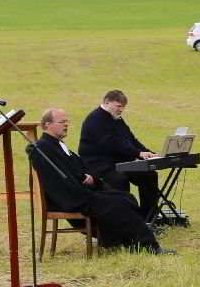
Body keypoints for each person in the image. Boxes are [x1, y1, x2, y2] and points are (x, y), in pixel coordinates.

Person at [29, 108, 168, 253]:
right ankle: (149, 247)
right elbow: (60, 178)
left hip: (81, 192)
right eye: (62, 122)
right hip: (73, 199)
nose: (66, 124)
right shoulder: (43, 148)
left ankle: (126, 241)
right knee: (119, 202)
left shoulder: (56, 145)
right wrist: (82, 178)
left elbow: (80, 167)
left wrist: (91, 178)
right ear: (46, 125)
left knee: (125, 198)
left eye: (67, 121)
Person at [78, 89, 159, 218]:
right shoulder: (95, 119)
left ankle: (148, 216)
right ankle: (127, 219)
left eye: (123, 107)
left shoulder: (116, 119)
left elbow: (131, 139)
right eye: (118, 106)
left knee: (149, 175)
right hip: (99, 165)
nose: (121, 110)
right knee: (119, 180)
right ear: (106, 102)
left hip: (118, 164)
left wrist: (148, 153)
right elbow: (111, 144)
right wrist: (138, 153)